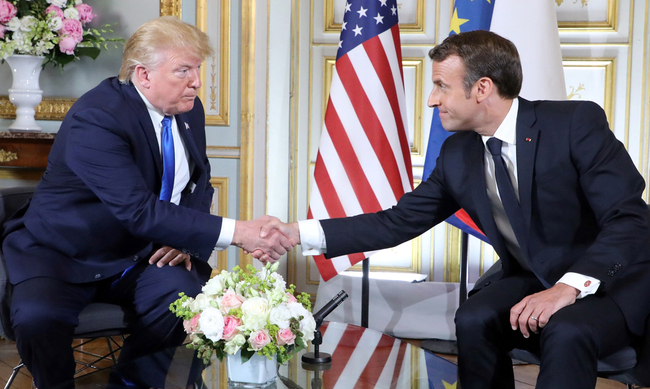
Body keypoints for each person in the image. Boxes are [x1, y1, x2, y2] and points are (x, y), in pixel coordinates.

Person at [259, 30, 650, 388]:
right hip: (536, 276)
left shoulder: (573, 124)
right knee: (473, 317)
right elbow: (397, 223)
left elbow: (630, 219)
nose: (432, 100)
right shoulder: (459, 153)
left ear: (482, 88)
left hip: (610, 282)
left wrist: (567, 287)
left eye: (441, 86)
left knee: (566, 330)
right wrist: (296, 233)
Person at [2, 16, 293, 389]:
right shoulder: (98, 117)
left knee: (182, 294)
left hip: (139, 254)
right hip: (63, 253)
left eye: (198, 69)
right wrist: (240, 233)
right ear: (143, 75)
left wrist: (185, 240)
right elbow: (138, 209)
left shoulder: (189, 109)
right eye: (183, 70)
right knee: (37, 319)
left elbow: (198, 184)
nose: (197, 82)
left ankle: (131, 384)